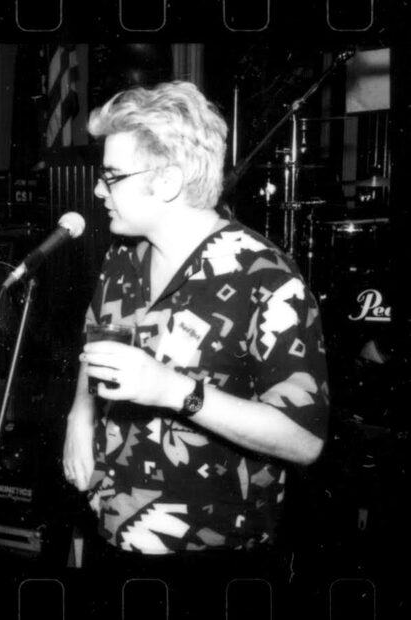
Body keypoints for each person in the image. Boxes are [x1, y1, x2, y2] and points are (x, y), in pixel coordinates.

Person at [61, 82, 329, 612]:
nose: (98, 190)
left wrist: (175, 391)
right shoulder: (123, 256)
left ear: (167, 181)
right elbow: (97, 340)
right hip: (111, 527)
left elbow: (304, 441)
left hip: (213, 556)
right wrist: (80, 414)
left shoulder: (267, 278)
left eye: (112, 176)